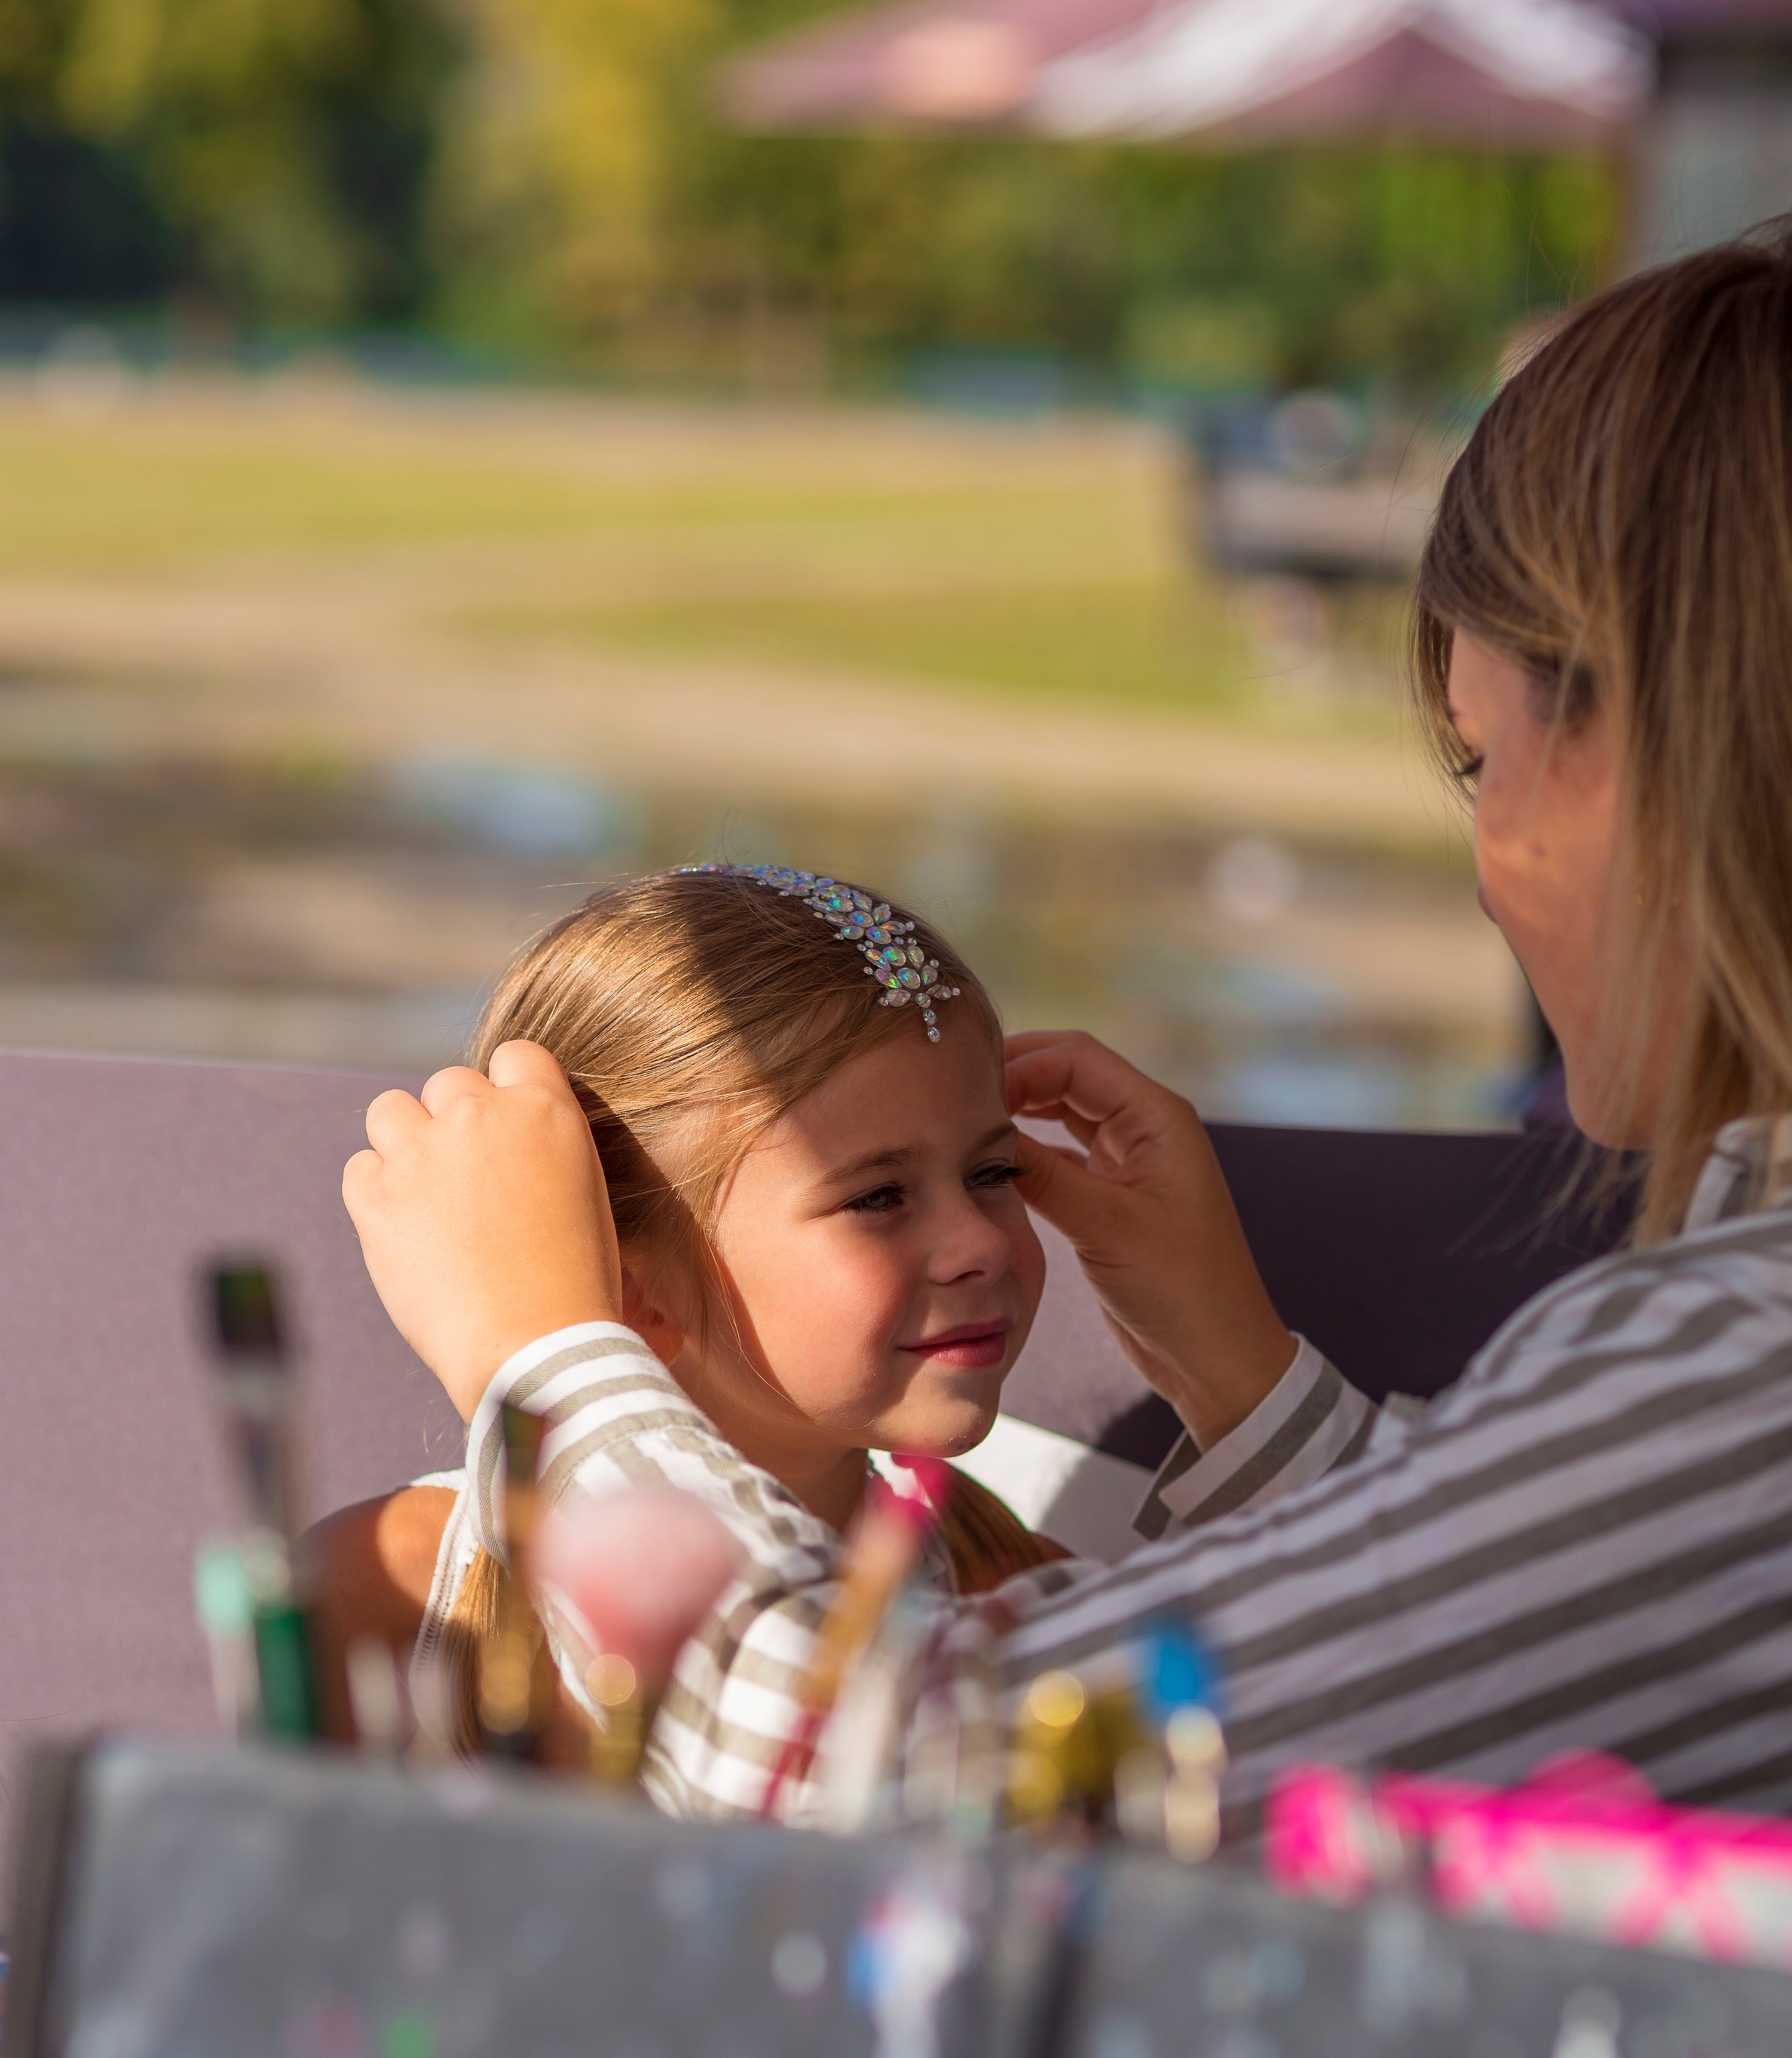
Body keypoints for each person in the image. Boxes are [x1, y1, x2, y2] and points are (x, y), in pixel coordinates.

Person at [344, 225, 1792, 1831]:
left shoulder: (1738, 1367)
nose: (1481, 883)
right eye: (875, 1188)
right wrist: (1238, 1376)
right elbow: (1491, 1646)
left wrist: (546, 1372)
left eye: (1480, 763)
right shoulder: (1726, 1363)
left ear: (1657, 756)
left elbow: (903, 1792)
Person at [312, 864, 1065, 1768]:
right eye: (879, 1196)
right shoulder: (388, 1587)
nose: (977, 1240)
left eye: (994, 1172)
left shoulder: (1013, 1593)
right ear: (631, 1288)